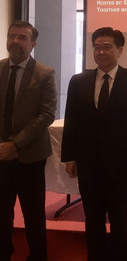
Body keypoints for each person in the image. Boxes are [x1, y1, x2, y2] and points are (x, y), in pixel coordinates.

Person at [61, 27, 127, 261]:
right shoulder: (78, 81)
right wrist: (69, 157)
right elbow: (71, 121)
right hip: (89, 164)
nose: (101, 51)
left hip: (121, 164)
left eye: (107, 46)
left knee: (120, 217)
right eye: (97, 47)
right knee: (93, 217)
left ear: (119, 50)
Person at [0, 20, 57, 261]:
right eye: (12, 36)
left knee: (33, 214)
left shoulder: (45, 73)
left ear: (32, 44)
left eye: (22, 37)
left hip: (30, 156)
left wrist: (15, 144)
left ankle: (37, 256)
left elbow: (46, 114)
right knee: (1, 214)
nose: (15, 41)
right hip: (0, 155)